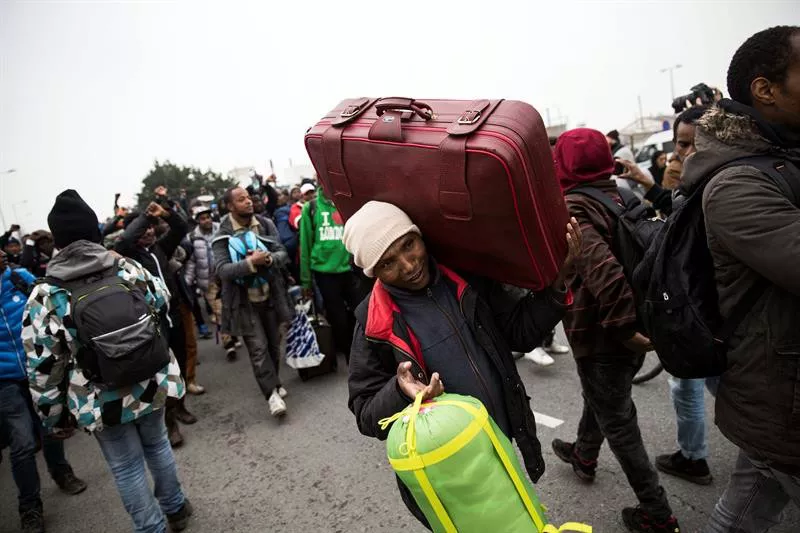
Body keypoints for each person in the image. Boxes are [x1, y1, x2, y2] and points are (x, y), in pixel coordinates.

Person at [343, 200, 580, 528]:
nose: (409, 265)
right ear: (374, 274)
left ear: (419, 236)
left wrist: (560, 283)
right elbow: (366, 414)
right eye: (388, 264)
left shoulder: (466, 279)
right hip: (450, 472)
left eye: (409, 245)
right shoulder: (372, 324)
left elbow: (520, 333)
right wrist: (401, 391)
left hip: (499, 442)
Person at [680, 26, 800, 532]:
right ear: (765, 89)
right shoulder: (736, 183)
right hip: (780, 394)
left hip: (776, 390)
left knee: (749, 503)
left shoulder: (779, 158)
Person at [23, 190, 193, 533]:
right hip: (149, 377)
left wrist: (54, 416)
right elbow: (162, 301)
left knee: (127, 466)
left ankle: (151, 527)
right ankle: (175, 507)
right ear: (94, 233)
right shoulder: (125, 267)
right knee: (157, 443)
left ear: (58, 241)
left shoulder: (46, 294)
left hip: (98, 395)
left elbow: (42, 366)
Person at [552, 128, 681, 533]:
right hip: (636, 324)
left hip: (604, 330)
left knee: (619, 421)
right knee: (604, 396)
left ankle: (657, 514)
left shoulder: (574, 205)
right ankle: (584, 454)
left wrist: (623, 326)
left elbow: (602, 271)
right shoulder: (624, 195)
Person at [1, 249, 87, 533]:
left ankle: (61, 472)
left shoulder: (19, 278)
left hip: (38, 370)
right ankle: (30, 507)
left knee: (51, 424)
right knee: (23, 443)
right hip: (5, 382)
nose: (2, 253)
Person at [115, 201, 194, 447]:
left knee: (179, 365)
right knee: (162, 373)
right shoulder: (130, 255)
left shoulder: (160, 249)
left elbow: (181, 228)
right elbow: (123, 241)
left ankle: (180, 406)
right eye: (144, 228)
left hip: (175, 317)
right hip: (154, 324)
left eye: (151, 227)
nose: (149, 231)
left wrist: (164, 213)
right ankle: (170, 424)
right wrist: (143, 217)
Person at [213, 187, 292, 418]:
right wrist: (250, 264)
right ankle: (271, 395)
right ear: (230, 206)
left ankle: (275, 381)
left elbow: (281, 252)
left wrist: (268, 259)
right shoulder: (223, 235)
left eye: (248, 197)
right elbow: (222, 270)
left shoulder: (265, 224)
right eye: (241, 199)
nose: (248, 202)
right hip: (244, 302)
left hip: (271, 295)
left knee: (274, 344)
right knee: (258, 349)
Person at [299, 188, 364, 361]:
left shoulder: (344, 202)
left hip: (350, 270)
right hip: (325, 274)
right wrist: (305, 283)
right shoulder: (311, 208)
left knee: (361, 312)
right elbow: (305, 246)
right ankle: (350, 356)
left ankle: (366, 350)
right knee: (338, 318)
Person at [618, 106, 712, 216]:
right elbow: (677, 208)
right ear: (675, 144)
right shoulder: (679, 175)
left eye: (699, 144)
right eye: (683, 144)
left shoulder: (724, 181)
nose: (690, 152)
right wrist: (643, 179)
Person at [185, 206, 240, 361]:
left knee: (232, 307)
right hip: (209, 282)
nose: (207, 220)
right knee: (219, 311)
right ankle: (228, 343)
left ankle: (233, 334)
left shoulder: (222, 230)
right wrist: (188, 282)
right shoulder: (193, 238)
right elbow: (191, 263)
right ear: (198, 221)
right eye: (203, 218)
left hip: (228, 275)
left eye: (208, 217)